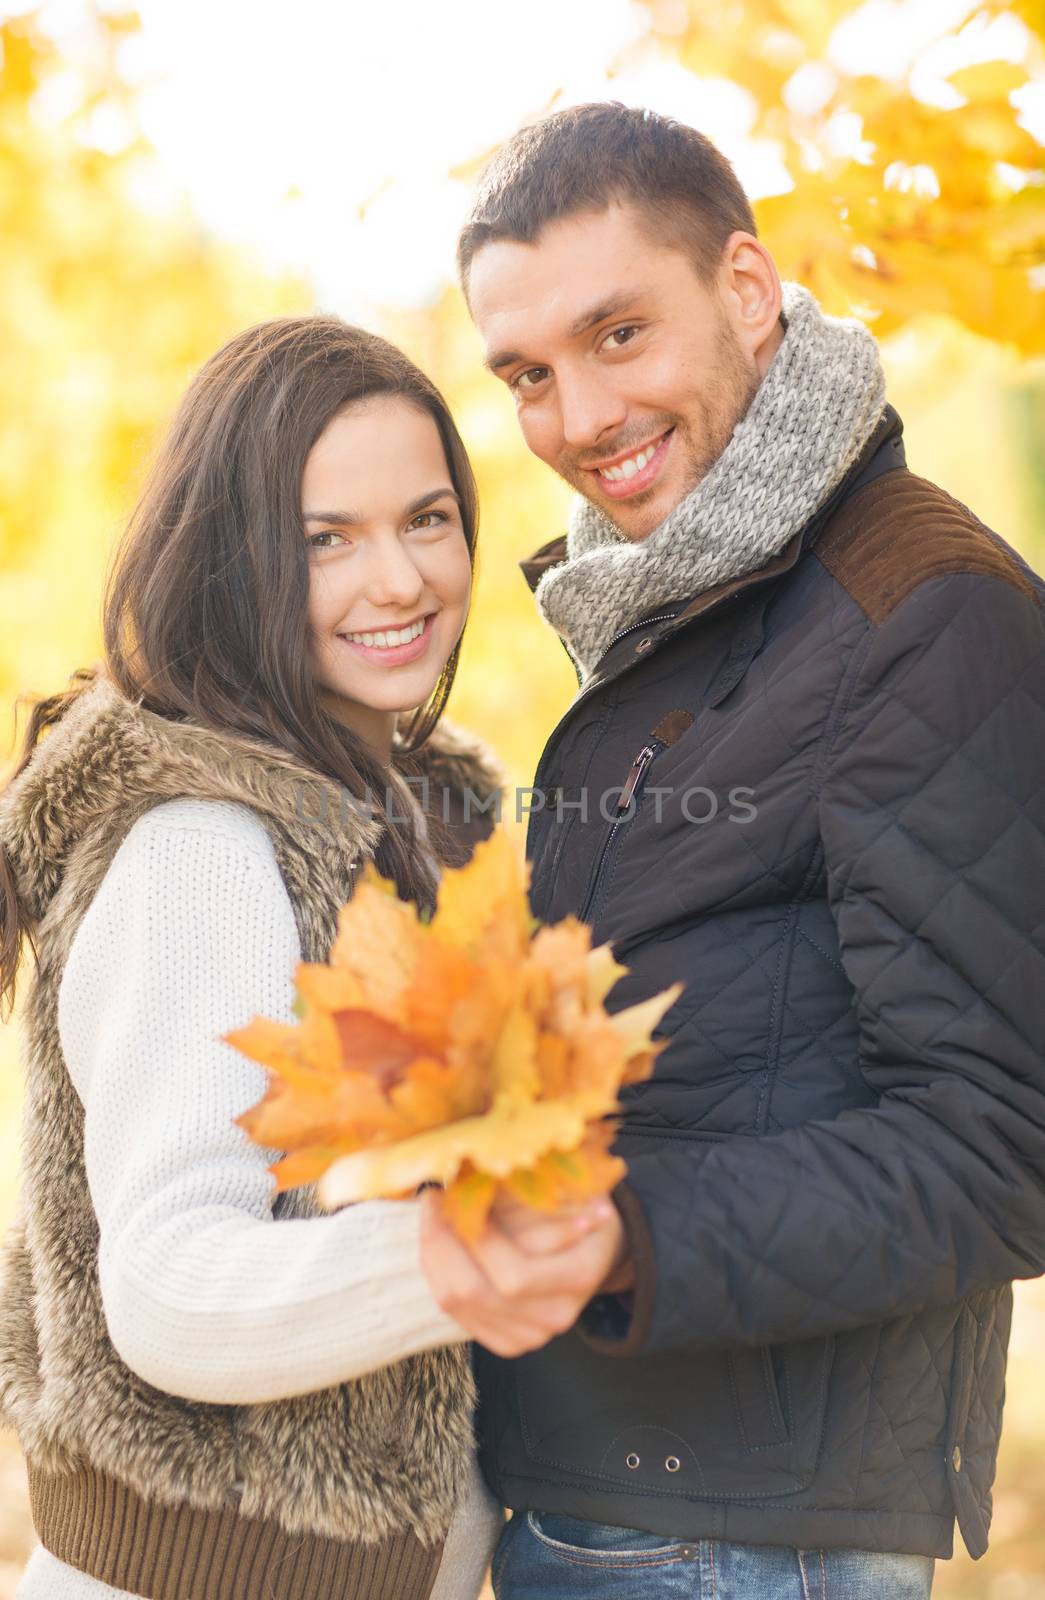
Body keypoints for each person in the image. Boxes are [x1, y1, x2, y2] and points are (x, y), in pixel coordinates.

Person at [417, 102, 1045, 1598]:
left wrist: (626, 1236)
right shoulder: (700, 604)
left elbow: (1003, 1142)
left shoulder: (916, 612)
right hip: (631, 1492)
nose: (575, 419)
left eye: (618, 334)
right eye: (528, 376)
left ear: (748, 295)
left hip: (736, 1536)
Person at [0, 313, 623, 1600]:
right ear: (224, 562)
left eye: (427, 519)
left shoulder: (416, 822)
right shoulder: (207, 844)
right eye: (321, 541)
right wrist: (465, 1258)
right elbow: (169, 1288)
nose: (395, 581)